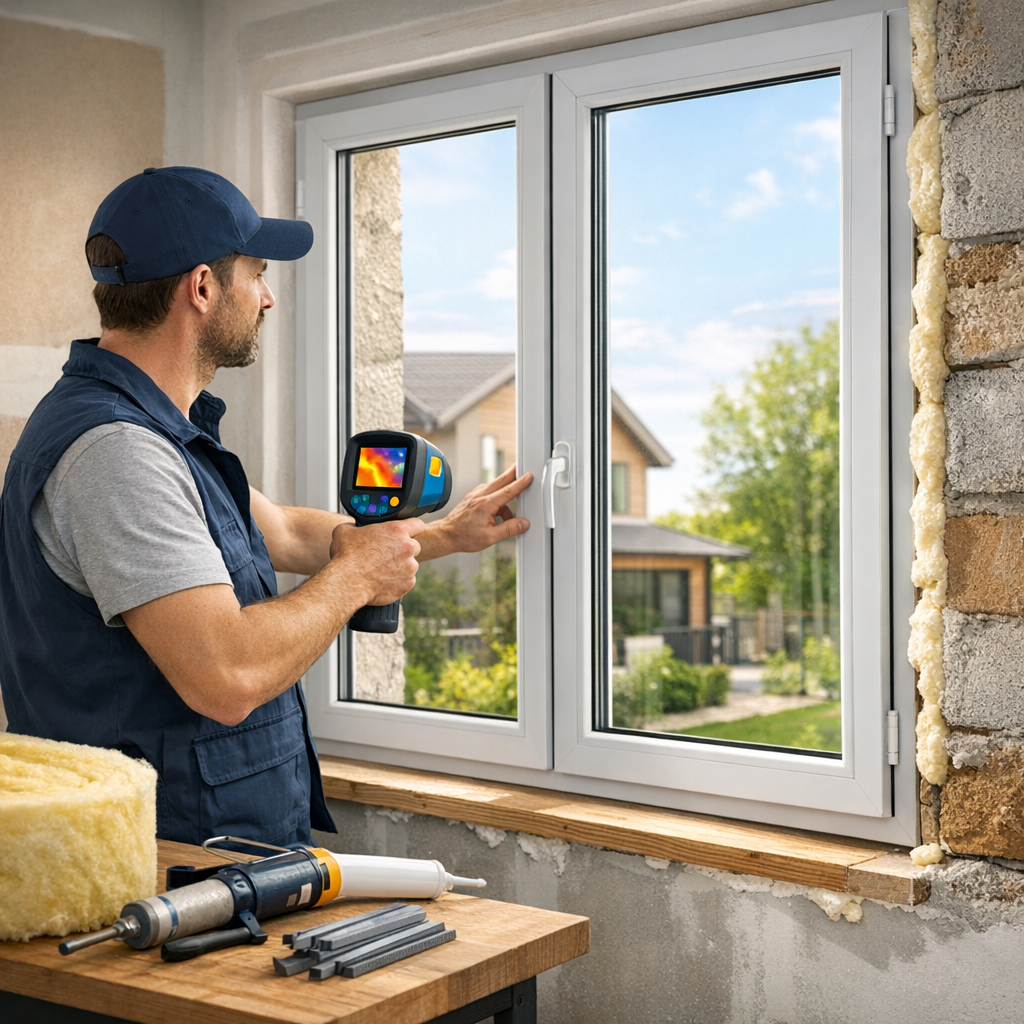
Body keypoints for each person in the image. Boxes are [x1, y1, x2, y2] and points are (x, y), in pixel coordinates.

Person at [0, 166, 532, 847]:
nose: (268, 297)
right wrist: (357, 577)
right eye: (256, 274)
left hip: (212, 843)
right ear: (201, 287)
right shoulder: (118, 452)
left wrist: (445, 536)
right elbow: (227, 675)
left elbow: (281, 530)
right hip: (167, 859)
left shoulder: (157, 431)